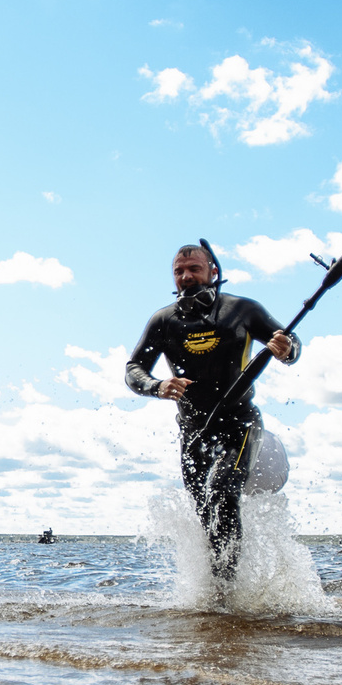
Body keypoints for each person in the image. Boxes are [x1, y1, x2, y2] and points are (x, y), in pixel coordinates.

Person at [123, 242, 298, 579]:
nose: (186, 276)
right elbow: (134, 369)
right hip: (194, 432)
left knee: (222, 490)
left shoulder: (243, 310)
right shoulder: (164, 320)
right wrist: (157, 386)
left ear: (213, 272)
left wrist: (286, 348)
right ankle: (217, 587)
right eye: (179, 271)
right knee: (205, 510)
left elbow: (289, 343)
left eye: (194, 269)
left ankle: (227, 590)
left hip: (240, 424)